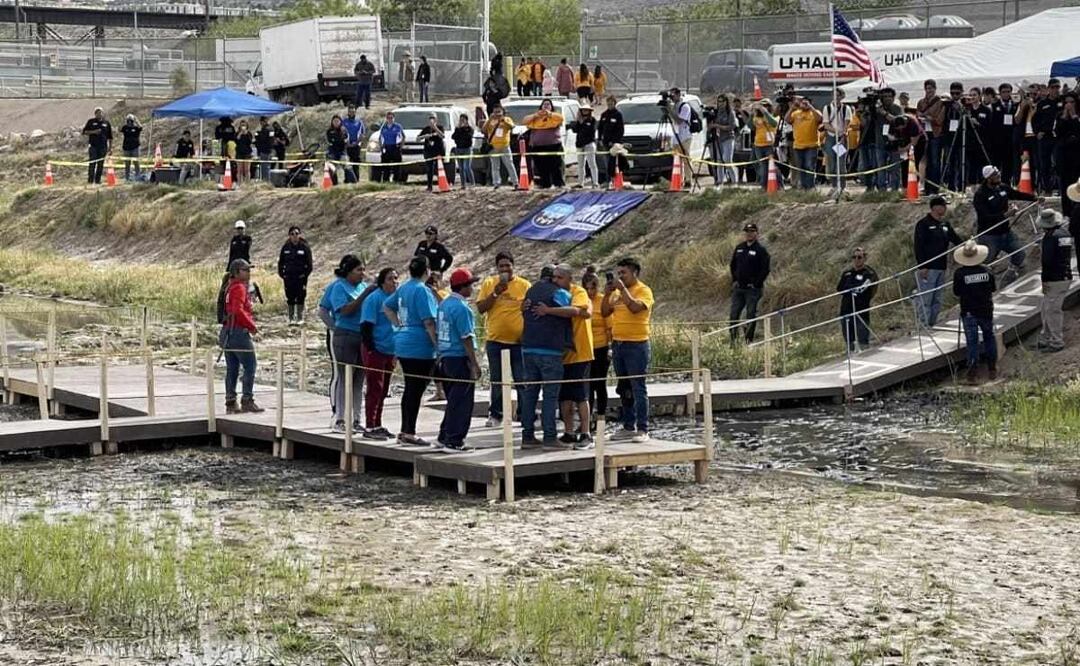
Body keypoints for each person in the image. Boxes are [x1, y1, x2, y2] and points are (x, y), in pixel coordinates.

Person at [383, 255, 439, 446]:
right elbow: (429, 322)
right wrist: (439, 347)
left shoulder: (404, 287)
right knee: (416, 389)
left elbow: (387, 307)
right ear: (427, 271)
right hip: (420, 345)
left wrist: (399, 325)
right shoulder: (422, 290)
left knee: (410, 388)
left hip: (403, 342)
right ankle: (409, 432)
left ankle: (405, 429)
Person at [519, 265, 573, 447]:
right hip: (549, 350)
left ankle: (527, 437)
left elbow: (524, 309)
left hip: (528, 349)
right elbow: (570, 309)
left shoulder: (531, 290)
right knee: (550, 396)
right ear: (553, 277)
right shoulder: (557, 292)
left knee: (530, 395)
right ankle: (550, 437)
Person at [601, 258, 654, 443]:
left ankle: (643, 428)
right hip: (618, 344)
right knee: (624, 388)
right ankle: (628, 426)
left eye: (624, 273)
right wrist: (607, 294)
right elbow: (605, 312)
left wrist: (622, 289)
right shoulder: (616, 293)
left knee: (638, 387)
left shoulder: (644, 290)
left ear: (635, 273)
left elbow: (634, 308)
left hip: (637, 345)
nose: (620, 277)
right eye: (619, 273)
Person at [476, 251, 530, 427]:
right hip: (495, 341)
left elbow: (530, 310)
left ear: (513, 265)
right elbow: (481, 308)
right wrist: (495, 293)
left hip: (518, 342)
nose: (505, 269)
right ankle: (496, 415)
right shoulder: (490, 283)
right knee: (497, 381)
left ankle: (525, 415)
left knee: (521, 380)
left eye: (508, 265)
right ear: (497, 268)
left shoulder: (524, 285)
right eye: (501, 266)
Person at [328, 255, 377, 433]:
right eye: (358, 270)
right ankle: (340, 418)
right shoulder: (339, 287)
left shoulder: (363, 286)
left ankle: (356, 418)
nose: (362, 274)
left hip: (361, 335)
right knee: (344, 376)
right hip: (345, 335)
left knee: (359, 379)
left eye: (363, 270)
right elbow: (345, 310)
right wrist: (365, 295)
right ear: (348, 271)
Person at [436, 267, 482, 450]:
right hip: (459, 357)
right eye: (470, 284)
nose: (472, 288)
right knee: (463, 402)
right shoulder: (462, 308)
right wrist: (474, 363)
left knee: (453, 400)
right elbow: (466, 337)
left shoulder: (444, 305)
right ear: (463, 287)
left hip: (446, 357)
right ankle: (454, 440)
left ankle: (444, 434)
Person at [548, 265, 594, 447]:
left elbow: (577, 311)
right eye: (554, 277)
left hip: (580, 351)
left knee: (581, 395)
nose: (555, 281)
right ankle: (568, 432)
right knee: (564, 396)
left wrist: (549, 311)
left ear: (569, 279)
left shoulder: (578, 291)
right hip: (563, 353)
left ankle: (585, 433)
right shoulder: (555, 294)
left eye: (559, 277)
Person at [973, 165, 1038, 284]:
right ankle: (981, 287)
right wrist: (1005, 215)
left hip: (1005, 232)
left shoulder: (1002, 187)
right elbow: (985, 217)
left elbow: (1016, 194)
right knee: (986, 263)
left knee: (1019, 254)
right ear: (988, 178)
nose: (999, 176)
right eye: (995, 175)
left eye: (998, 173)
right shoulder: (980, 194)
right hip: (989, 235)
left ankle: (1008, 277)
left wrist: (1034, 198)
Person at [913, 196, 964, 328]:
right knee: (926, 299)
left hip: (941, 266)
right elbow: (918, 246)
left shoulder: (944, 224)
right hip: (928, 268)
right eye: (943, 206)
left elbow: (955, 238)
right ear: (935, 207)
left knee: (937, 299)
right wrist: (922, 266)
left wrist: (966, 245)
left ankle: (932, 322)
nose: (945, 208)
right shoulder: (923, 224)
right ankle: (923, 325)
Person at [359, 267, 398, 440]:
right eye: (390, 278)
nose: (394, 282)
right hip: (375, 349)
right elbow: (366, 326)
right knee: (375, 387)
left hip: (391, 350)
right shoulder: (373, 299)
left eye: (396, 278)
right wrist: (371, 349)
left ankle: (378, 423)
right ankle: (369, 425)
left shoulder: (396, 300)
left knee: (384, 389)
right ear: (382, 281)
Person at [220, 258, 263, 414]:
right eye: (246, 270)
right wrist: (251, 326)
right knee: (250, 365)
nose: (249, 273)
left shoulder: (229, 287)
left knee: (232, 367)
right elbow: (238, 311)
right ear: (237, 272)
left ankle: (230, 401)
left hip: (227, 331)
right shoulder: (238, 287)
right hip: (238, 331)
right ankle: (247, 400)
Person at [952, 240, 997, 383]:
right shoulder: (987, 271)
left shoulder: (959, 274)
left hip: (969, 311)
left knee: (972, 342)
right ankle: (992, 368)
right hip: (985, 309)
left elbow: (956, 292)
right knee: (989, 337)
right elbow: (993, 288)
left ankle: (972, 372)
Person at [728, 223, 771, 343]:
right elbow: (733, 265)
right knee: (733, 314)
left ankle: (748, 340)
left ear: (756, 233)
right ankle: (733, 341)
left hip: (752, 290)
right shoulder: (740, 248)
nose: (749, 234)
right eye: (747, 231)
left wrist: (756, 283)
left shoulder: (760, 250)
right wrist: (735, 280)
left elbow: (765, 269)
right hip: (739, 288)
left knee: (750, 314)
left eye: (752, 231)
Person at [1037, 210, 1072, 353]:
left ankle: (1056, 341)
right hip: (1065, 275)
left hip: (1054, 278)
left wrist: (1044, 280)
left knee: (1052, 311)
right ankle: (1045, 338)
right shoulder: (1065, 234)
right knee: (1046, 308)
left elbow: (1047, 260)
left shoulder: (1049, 238)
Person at [836, 248, 879, 352]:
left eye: (859, 257)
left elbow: (863, 288)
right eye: (854, 257)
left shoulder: (869, 273)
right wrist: (851, 290)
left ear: (864, 258)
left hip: (861, 309)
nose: (856, 259)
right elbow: (840, 288)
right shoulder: (847, 273)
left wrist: (852, 289)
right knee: (848, 337)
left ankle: (866, 352)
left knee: (863, 338)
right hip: (846, 309)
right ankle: (850, 352)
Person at [583, 269, 611, 431]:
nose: (590, 292)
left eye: (593, 288)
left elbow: (609, 326)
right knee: (588, 385)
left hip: (601, 347)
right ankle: (589, 418)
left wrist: (610, 348)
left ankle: (601, 417)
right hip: (586, 349)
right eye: (588, 288)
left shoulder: (602, 301)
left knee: (600, 383)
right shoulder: (582, 300)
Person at [523, 99, 565, 189]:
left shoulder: (554, 116)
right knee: (541, 167)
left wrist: (549, 114)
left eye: (548, 104)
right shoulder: (535, 117)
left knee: (555, 166)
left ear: (551, 107)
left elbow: (561, 118)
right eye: (544, 104)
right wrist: (536, 115)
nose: (546, 106)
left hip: (553, 146)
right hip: (538, 146)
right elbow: (525, 121)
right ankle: (545, 184)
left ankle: (558, 184)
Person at [277, 226, 313, 325]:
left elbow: (309, 264)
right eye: (292, 234)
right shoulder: (286, 247)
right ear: (289, 236)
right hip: (288, 277)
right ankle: (291, 318)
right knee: (290, 297)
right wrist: (282, 274)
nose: (294, 236)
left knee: (301, 296)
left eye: (296, 233)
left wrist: (304, 275)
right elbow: (281, 262)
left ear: (299, 235)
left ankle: (300, 318)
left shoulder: (304, 247)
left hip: (300, 277)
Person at [1033, 78, 1063, 195]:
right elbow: (1035, 120)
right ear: (1049, 88)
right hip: (1045, 137)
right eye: (1053, 87)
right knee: (1045, 164)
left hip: (1058, 137)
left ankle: (1060, 189)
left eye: (1057, 87)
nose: (1056, 90)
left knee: (1059, 162)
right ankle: (1047, 189)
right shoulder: (1042, 104)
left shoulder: (1063, 102)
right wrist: (1037, 132)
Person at [916, 79, 946, 194]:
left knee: (935, 162)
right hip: (924, 134)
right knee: (924, 161)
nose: (929, 90)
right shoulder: (921, 102)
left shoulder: (940, 102)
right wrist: (922, 117)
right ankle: (926, 187)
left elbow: (940, 119)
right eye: (927, 88)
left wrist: (930, 118)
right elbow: (917, 116)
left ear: (935, 89)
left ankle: (935, 187)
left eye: (931, 88)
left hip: (935, 134)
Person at [786, 96, 822, 190]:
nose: (804, 105)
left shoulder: (814, 113)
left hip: (811, 145)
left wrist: (810, 107)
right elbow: (787, 120)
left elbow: (820, 119)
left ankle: (811, 187)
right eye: (802, 103)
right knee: (800, 168)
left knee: (809, 167)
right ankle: (803, 187)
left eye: (806, 103)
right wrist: (791, 108)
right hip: (798, 145)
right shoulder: (796, 113)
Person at [821, 88, 850, 195]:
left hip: (842, 137)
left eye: (838, 95)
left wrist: (843, 135)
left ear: (842, 96)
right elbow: (826, 124)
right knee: (831, 163)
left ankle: (843, 186)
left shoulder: (846, 108)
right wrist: (836, 131)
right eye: (834, 95)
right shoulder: (827, 108)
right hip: (831, 137)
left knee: (841, 163)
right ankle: (834, 186)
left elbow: (847, 123)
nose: (836, 97)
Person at [1055, 92, 1080, 216]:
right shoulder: (1060, 116)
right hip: (1064, 155)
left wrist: (1074, 116)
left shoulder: (1078, 115)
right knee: (1065, 185)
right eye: (1067, 102)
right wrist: (1065, 115)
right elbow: (1058, 132)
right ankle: (1067, 212)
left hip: (1077, 155)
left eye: (1072, 102)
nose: (1069, 105)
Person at [989, 83, 1019, 187]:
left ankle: (1006, 185)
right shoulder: (994, 106)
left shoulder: (1015, 105)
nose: (1006, 94)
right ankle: (995, 185)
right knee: (996, 165)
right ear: (1000, 93)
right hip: (997, 141)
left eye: (1008, 91)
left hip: (1010, 140)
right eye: (1004, 92)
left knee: (1008, 165)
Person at [707, 94, 738, 189]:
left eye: (722, 101)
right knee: (719, 161)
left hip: (728, 138)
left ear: (726, 102)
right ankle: (720, 181)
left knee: (727, 160)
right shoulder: (717, 113)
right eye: (719, 101)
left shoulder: (730, 113)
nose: (720, 103)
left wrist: (717, 126)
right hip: (719, 139)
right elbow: (710, 126)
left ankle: (734, 181)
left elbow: (731, 126)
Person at [599, 96, 628, 189]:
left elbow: (620, 130)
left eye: (611, 103)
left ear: (614, 103)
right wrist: (600, 139)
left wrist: (614, 141)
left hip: (615, 144)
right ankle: (608, 181)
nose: (610, 105)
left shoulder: (618, 115)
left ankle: (615, 181)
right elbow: (600, 128)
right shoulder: (604, 115)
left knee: (614, 163)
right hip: (605, 143)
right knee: (606, 163)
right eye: (608, 103)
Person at [483, 106, 516, 188]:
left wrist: (503, 120)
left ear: (502, 112)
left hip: (505, 145)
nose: (497, 114)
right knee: (495, 166)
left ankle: (515, 181)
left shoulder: (507, 119)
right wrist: (489, 119)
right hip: (493, 147)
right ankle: (496, 183)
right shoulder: (490, 121)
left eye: (498, 112)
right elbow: (483, 130)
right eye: (495, 112)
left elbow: (511, 126)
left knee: (509, 164)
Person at [668, 87, 693, 189]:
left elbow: (679, 121)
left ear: (678, 95)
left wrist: (669, 109)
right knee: (677, 160)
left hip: (685, 136)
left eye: (673, 95)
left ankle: (688, 180)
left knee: (686, 159)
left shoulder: (685, 106)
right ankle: (678, 180)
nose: (672, 97)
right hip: (676, 137)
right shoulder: (673, 106)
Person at [569, 103, 599, 188]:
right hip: (580, 144)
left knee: (592, 164)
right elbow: (574, 130)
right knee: (580, 165)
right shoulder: (579, 120)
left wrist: (583, 123)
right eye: (583, 110)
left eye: (586, 110)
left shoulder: (592, 120)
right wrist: (578, 121)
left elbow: (591, 131)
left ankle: (595, 182)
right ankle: (580, 183)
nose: (584, 111)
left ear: (589, 111)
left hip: (589, 144)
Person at [750, 101, 778, 189]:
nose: (764, 107)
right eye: (762, 105)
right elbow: (751, 126)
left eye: (766, 105)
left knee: (771, 166)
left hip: (769, 145)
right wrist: (752, 113)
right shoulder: (756, 117)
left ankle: (775, 184)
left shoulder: (773, 116)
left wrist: (765, 112)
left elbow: (774, 123)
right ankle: (763, 185)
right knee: (762, 166)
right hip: (758, 145)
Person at [82, 107, 112, 185]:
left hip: (103, 147)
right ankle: (90, 180)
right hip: (93, 146)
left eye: (101, 113)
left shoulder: (106, 123)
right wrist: (94, 132)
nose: (100, 114)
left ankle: (98, 180)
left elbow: (110, 137)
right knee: (92, 163)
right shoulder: (91, 122)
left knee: (100, 164)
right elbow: (84, 132)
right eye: (98, 113)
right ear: (95, 114)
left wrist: (110, 148)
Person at [418, 114, 446, 192]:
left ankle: (442, 184)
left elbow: (442, 136)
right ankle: (429, 186)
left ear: (436, 120)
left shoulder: (440, 127)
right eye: (430, 118)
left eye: (433, 118)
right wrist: (424, 136)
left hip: (438, 151)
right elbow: (418, 139)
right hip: (429, 152)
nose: (431, 120)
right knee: (429, 169)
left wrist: (435, 128)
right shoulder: (426, 129)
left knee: (439, 169)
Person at [325, 115, 354, 185]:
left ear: (340, 122)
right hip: (332, 152)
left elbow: (346, 141)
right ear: (332, 122)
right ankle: (334, 183)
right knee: (331, 167)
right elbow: (330, 141)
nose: (336, 122)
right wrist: (339, 140)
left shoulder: (344, 130)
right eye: (334, 121)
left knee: (347, 166)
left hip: (342, 151)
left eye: (337, 121)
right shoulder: (329, 131)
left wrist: (339, 141)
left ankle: (352, 182)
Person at [377, 111, 405, 183]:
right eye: (388, 118)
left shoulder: (398, 126)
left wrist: (400, 147)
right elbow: (380, 138)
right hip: (386, 147)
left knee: (397, 167)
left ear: (394, 118)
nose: (390, 119)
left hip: (395, 147)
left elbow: (403, 137)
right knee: (386, 166)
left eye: (391, 118)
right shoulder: (384, 127)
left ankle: (396, 181)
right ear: (386, 118)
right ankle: (386, 181)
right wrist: (381, 147)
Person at [342, 104, 365, 183]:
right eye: (350, 111)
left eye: (353, 111)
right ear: (348, 112)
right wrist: (346, 143)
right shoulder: (344, 122)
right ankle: (347, 179)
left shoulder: (359, 122)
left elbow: (362, 134)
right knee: (347, 163)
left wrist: (356, 143)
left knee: (355, 163)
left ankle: (356, 179)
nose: (351, 113)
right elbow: (342, 133)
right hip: (347, 146)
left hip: (356, 146)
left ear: (355, 112)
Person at [451, 113, 474, 189]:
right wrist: (459, 129)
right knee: (460, 168)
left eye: (463, 120)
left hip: (467, 149)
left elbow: (468, 137)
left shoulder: (469, 129)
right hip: (459, 149)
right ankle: (463, 184)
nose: (462, 122)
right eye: (460, 120)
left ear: (466, 121)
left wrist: (464, 128)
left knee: (466, 167)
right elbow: (453, 137)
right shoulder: (457, 129)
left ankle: (472, 183)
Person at [120, 114, 142, 181]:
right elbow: (119, 129)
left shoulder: (136, 128)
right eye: (128, 121)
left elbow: (140, 127)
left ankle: (138, 177)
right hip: (126, 148)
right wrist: (123, 121)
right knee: (127, 164)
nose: (129, 122)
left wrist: (136, 120)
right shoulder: (125, 128)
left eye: (131, 121)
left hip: (135, 147)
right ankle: (127, 177)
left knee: (136, 163)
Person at [254, 117, 274, 182]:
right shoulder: (271, 129)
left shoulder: (265, 129)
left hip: (264, 150)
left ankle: (265, 181)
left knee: (264, 167)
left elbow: (262, 139)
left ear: (263, 121)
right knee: (268, 167)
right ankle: (267, 181)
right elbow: (271, 140)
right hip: (270, 150)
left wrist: (257, 135)